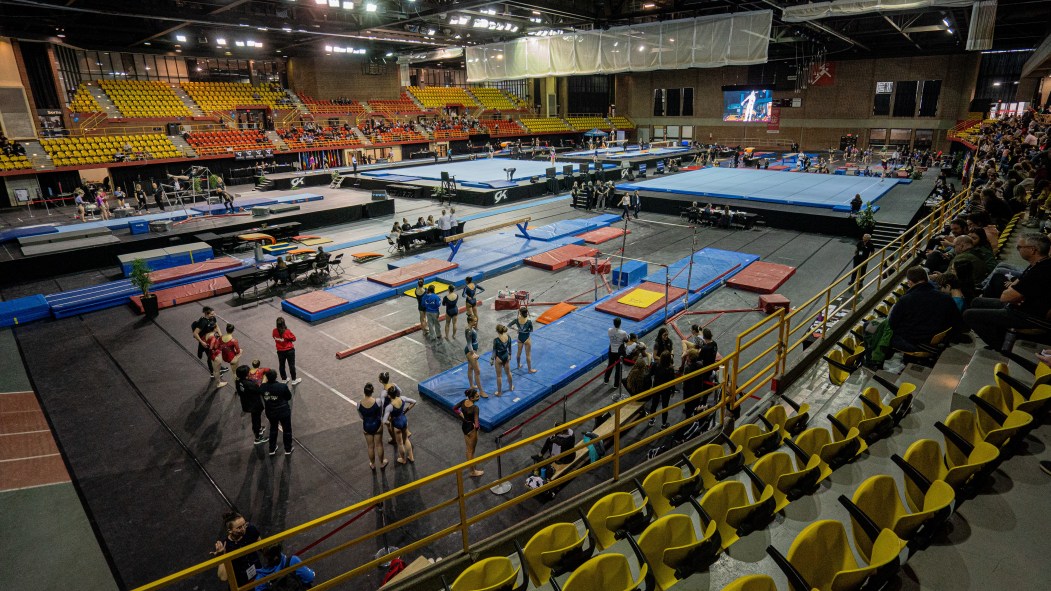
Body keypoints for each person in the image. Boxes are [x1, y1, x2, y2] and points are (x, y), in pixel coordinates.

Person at [964, 233, 1051, 351]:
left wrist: (1014, 293)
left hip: (1027, 316)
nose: (1018, 250)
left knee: (969, 315)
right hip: (1019, 306)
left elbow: (1005, 297)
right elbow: (1015, 286)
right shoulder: (1038, 264)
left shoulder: (1040, 271)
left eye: (1020, 247)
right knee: (976, 301)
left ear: (1033, 250)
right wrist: (1015, 293)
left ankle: (1001, 346)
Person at [887, 267, 962, 352]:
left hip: (913, 342)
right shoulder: (946, 298)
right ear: (926, 279)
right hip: (937, 341)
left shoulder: (905, 300)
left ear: (910, 282)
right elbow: (956, 320)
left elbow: (892, 324)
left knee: (883, 331)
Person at [212, 512, 262, 588]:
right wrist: (222, 555)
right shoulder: (225, 546)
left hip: (258, 576)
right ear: (230, 531)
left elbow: (261, 548)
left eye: (244, 524)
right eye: (239, 528)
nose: (243, 529)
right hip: (241, 584)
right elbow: (223, 577)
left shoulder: (250, 530)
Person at [261, 369, 294, 456]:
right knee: (287, 429)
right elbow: (288, 397)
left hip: (271, 411)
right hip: (283, 411)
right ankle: (288, 449)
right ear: (276, 377)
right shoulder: (282, 386)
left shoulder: (263, 387)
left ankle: (272, 449)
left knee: (273, 429)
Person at [453, 388, 484, 477]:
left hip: (464, 426)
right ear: (472, 398)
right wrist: (477, 428)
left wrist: (462, 415)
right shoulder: (475, 408)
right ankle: (472, 471)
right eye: (477, 396)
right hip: (471, 429)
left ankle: (471, 465)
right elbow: (477, 424)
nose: (479, 397)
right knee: (471, 450)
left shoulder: (463, 402)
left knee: (468, 449)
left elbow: (455, 408)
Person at [234, 365, 267, 445]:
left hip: (246, 402)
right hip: (254, 404)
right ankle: (258, 437)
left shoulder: (238, 381)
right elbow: (259, 390)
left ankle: (258, 428)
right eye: (249, 372)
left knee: (255, 418)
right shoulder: (249, 384)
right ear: (246, 374)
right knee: (256, 419)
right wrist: (263, 382)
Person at [383, 386, 416, 464]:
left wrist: (389, 422)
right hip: (404, 420)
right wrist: (406, 410)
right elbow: (414, 401)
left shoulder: (389, 407)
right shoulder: (403, 398)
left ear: (389, 395)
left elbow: (384, 420)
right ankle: (411, 457)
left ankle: (403, 459)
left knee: (400, 443)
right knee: (406, 439)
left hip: (397, 424)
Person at [358, 383, 387, 470]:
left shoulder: (359, 403)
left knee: (370, 446)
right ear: (372, 391)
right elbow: (380, 413)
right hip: (377, 425)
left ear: (364, 392)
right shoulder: (378, 401)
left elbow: (361, 416)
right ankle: (382, 463)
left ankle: (372, 464)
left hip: (367, 425)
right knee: (379, 445)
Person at [648, 352, 677, 430]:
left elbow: (650, 374)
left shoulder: (655, 364)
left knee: (654, 404)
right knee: (665, 406)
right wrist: (673, 390)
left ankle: (651, 419)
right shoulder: (670, 368)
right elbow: (672, 381)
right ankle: (664, 424)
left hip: (656, 387)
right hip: (666, 390)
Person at [463, 314, 487, 398]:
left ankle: (472, 385)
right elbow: (469, 344)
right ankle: (481, 391)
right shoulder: (468, 330)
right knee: (477, 371)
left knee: (470, 368)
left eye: (476, 320)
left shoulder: (470, 328)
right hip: (470, 352)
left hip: (472, 350)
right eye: (475, 321)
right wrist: (474, 354)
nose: (476, 322)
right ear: (470, 321)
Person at [193, 306, 221, 376]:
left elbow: (216, 326)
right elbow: (195, 333)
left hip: (212, 338)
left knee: (215, 354)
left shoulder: (212, 318)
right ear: (206, 314)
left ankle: (218, 367)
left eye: (214, 313)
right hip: (205, 341)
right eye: (212, 314)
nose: (214, 315)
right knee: (210, 356)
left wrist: (221, 335)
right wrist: (202, 342)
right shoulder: (203, 322)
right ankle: (212, 372)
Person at [508, 307, 537, 373]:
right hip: (527, 339)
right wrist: (525, 331)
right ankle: (529, 370)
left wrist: (517, 329)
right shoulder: (529, 321)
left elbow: (509, 325)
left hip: (520, 338)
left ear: (520, 313)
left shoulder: (516, 320)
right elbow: (531, 330)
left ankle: (518, 365)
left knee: (519, 353)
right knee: (528, 355)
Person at [273, 317, 300, 385]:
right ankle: (294, 380)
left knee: (281, 365)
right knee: (291, 365)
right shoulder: (286, 331)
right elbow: (294, 338)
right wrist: (288, 340)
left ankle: (284, 379)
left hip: (280, 351)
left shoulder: (274, 331)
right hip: (289, 350)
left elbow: (274, 337)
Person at [604, 317, 629, 388]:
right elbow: (626, 340)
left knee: (610, 365)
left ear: (614, 323)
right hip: (619, 352)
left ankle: (606, 380)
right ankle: (616, 384)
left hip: (612, 350)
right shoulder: (623, 332)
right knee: (618, 368)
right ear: (620, 324)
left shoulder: (609, 330)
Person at [492, 324, 514, 396]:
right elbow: (510, 347)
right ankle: (510, 387)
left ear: (497, 331)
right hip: (506, 356)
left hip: (499, 358)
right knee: (508, 373)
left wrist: (492, 359)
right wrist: (510, 354)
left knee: (499, 376)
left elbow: (494, 351)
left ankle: (499, 392)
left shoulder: (496, 340)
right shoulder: (509, 337)